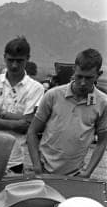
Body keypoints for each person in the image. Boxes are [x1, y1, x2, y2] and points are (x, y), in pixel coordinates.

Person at [27, 48, 107, 178]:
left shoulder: (103, 102)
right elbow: (32, 132)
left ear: (99, 74)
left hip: (75, 176)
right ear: (74, 70)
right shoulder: (53, 95)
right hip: (44, 170)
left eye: (89, 78)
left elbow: (102, 141)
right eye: (79, 76)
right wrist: (36, 166)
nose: (82, 83)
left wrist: (87, 172)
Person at [0, 36, 45, 174]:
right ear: (4, 57)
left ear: (27, 58)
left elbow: (26, 125)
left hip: (12, 159)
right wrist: (15, 123)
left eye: (19, 61)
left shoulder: (36, 88)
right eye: (10, 60)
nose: (14, 65)